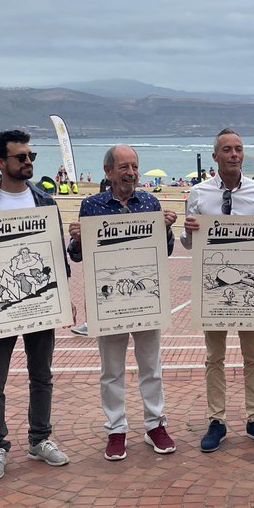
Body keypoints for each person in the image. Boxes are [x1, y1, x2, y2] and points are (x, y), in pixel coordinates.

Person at [0, 130, 71, 481]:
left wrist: (64, 299)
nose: (29, 162)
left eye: (30, 155)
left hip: (41, 305)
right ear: (0, 162)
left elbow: (56, 256)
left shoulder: (44, 201)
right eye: (21, 157)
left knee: (42, 376)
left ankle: (40, 439)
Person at [70, 144, 178, 461]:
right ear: (108, 171)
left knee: (151, 367)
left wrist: (167, 230)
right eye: (123, 167)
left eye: (134, 166)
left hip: (146, 300)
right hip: (110, 303)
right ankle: (116, 430)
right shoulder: (91, 206)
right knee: (111, 371)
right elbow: (76, 255)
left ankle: (155, 425)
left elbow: (165, 250)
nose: (131, 173)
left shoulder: (150, 202)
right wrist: (76, 238)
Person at [181, 129, 254, 452]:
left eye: (238, 149)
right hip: (213, 288)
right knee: (215, 357)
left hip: (249, 292)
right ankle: (217, 420)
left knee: (253, 356)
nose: (234, 154)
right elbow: (188, 244)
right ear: (215, 156)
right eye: (227, 149)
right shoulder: (198, 194)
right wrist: (187, 231)